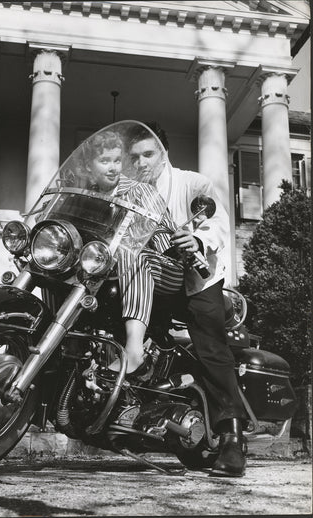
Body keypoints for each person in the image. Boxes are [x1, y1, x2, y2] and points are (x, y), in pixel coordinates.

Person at [126, 122, 247, 478]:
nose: (142, 162)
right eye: (135, 157)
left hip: (197, 276)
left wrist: (198, 240)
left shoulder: (192, 184)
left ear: (164, 155)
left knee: (210, 345)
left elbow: (218, 221)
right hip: (154, 276)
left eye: (148, 154)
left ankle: (232, 439)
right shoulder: (132, 191)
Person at [81, 130, 184, 378]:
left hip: (162, 267)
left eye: (117, 160)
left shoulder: (140, 191)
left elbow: (164, 235)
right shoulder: (85, 195)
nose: (113, 167)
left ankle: (134, 349)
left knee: (131, 250)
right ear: (89, 165)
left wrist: (143, 239)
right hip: (108, 271)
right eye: (105, 161)